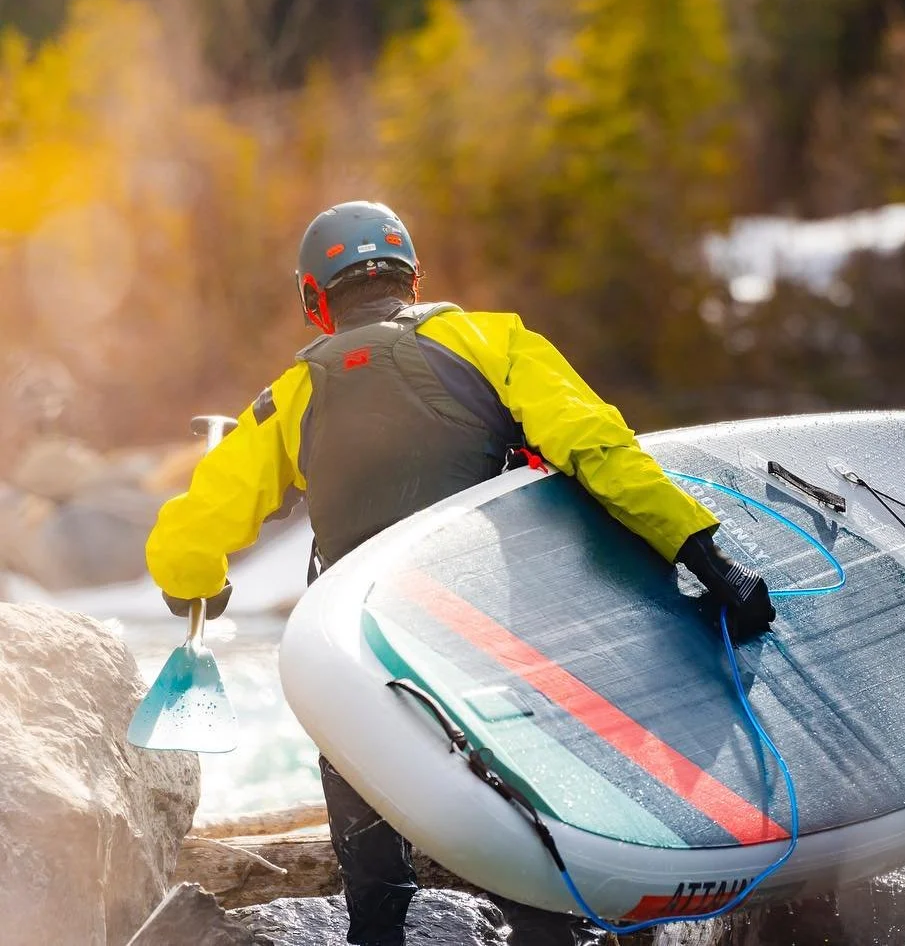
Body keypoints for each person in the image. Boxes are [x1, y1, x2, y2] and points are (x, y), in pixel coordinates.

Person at [144, 200, 777, 946]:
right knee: (536, 844)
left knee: (361, 801)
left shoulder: (291, 395)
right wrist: (705, 557)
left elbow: (193, 528)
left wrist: (197, 583)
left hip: (364, 661)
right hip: (497, 646)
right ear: (413, 276)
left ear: (316, 300)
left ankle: (375, 926)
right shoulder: (490, 338)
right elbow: (600, 450)